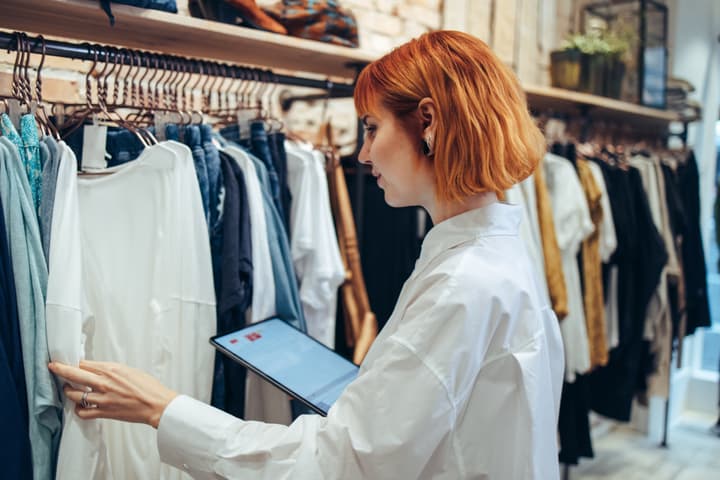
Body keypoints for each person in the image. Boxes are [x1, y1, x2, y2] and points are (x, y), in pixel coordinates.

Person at [49, 30, 565, 479]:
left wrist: (163, 408)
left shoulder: (462, 284)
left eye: (371, 127)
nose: (362, 153)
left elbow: (340, 463)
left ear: (427, 123)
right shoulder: (497, 254)